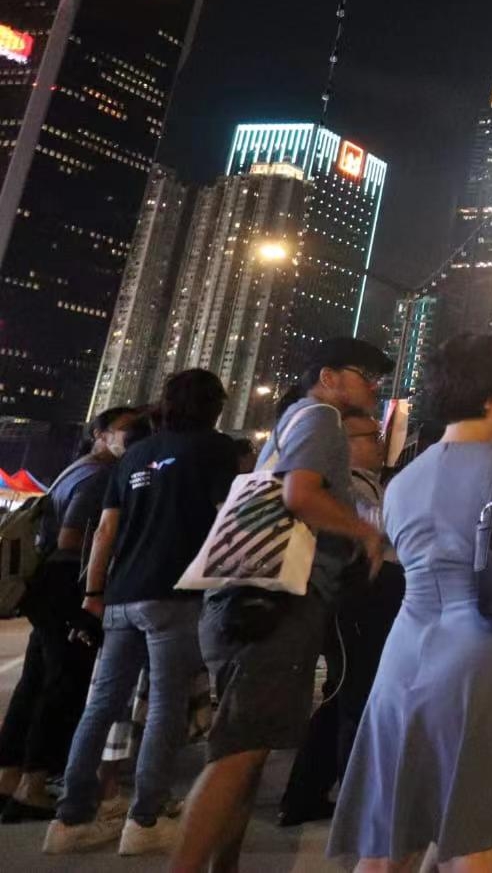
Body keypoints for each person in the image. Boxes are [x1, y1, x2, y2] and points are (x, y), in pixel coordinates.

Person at [328, 333, 492, 872]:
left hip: (405, 651)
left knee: (393, 823)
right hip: (488, 653)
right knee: (476, 821)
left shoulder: (404, 479)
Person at [172, 338, 392, 873]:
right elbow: (299, 495)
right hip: (277, 605)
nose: (374, 387)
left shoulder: (293, 420)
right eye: (366, 375)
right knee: (238, 754)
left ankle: (223, 866)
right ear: (330, 376)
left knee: (248, 750)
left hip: (248, 600)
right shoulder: (320, 416)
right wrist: (365, 532)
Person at [44, 375, 237, 857]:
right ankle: (146, 818)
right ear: (214, 407)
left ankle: (69, 820)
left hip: (121, 595)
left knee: (102, 704)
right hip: (174, 595)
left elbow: (105, 529)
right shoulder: (215, 448)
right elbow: (225, 519)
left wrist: (94, 591)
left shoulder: (134, 454)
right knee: (166, 706)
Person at [0, 406, 145, 823]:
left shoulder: (74, 469)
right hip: (68, 585)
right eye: (123, 429)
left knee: (35, 683)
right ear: (100, 433)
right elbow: (70, 537)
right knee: (64, 686)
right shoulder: (100, 476)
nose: (129, 437)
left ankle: (9, 776)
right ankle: (33, 786)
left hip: (46, 586)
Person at [279, 409, 407, 826]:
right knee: (355, 697)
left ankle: (308, 794)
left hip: (367, 597)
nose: (380, 444)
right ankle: (356, 803)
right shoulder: (347, 486)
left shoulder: (367, 483)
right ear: (345, 445)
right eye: (371, 436)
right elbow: (381, 530)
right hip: (359, 599)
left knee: (344, 696)